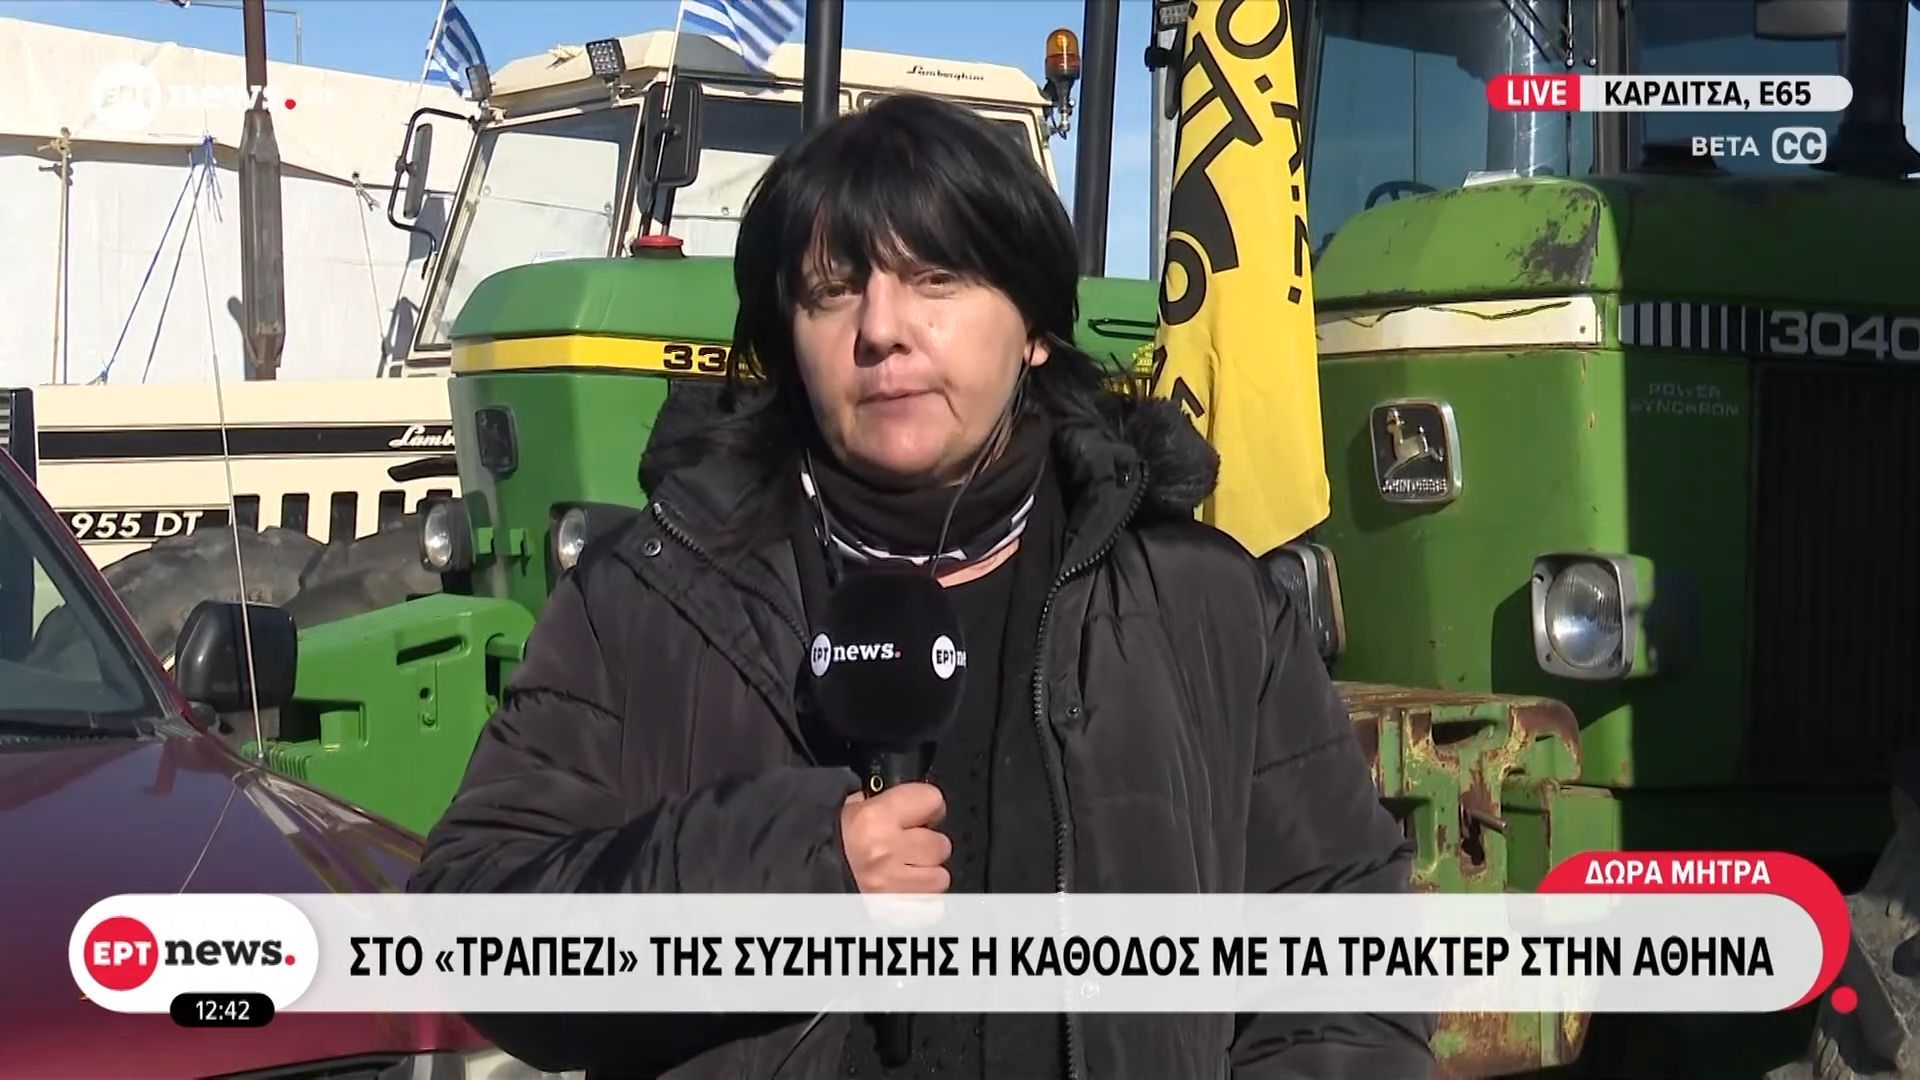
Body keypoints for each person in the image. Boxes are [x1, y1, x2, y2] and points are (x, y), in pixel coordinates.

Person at [409, 92, 1435, 1079]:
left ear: (1034, 326)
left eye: (935, 279)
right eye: (831, 291)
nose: (881, 328)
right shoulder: (657, 598)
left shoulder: (1200, 607)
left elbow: (1345, 959)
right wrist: (793, 875)